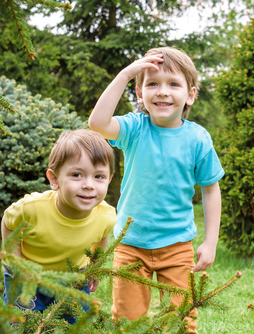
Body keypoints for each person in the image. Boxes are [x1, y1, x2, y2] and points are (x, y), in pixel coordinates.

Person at [88, 46, 224, 333]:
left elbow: (211, 190)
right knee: (127, 321)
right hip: (130, 243)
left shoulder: (198, 139)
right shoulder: (134, 129)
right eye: (152, 84)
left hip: (177, 245)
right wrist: (126, 74)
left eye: (173, 84)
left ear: (190, 95)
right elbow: (97, 123)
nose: (162, 91)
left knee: (180, 321)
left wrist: (210, 242)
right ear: (140, 95)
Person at [1, 129, 116, 323]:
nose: (89, 185)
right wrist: (17, 262)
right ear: (54, 180)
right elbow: (8, 222)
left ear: (109, 179)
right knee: (22, 323)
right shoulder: (31, 208)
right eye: (77, 174)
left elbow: (102, 235)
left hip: (74, 278)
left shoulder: (106, 215)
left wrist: (95, 267)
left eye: (99, 177)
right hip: (28, 276)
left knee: (77, 324)